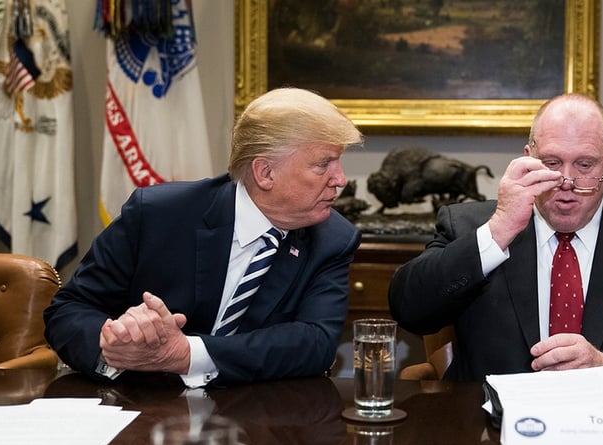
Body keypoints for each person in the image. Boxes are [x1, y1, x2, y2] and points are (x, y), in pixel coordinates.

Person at [388, 93, 603, 390]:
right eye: (551, 163)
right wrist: (499, 231)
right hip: (488, 440)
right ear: (528, 158)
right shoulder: (470, 228)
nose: (565, 181)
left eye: (584, 164)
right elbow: (409, 311)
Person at [44, 87, 364, 387]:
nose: (340, 179)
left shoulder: (332, 239)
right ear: (265, 173)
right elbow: (68, 310)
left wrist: (187, 355)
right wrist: (114, 341)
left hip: (255, 421)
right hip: (139, 404)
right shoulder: (157, 214)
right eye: (324, 164)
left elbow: (315, 343)